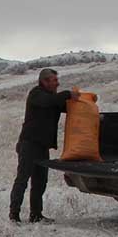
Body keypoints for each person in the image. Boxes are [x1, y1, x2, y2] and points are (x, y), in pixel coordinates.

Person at [10, 68, 74, 224]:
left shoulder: (53, 98)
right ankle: (14, 215)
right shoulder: (36, 94)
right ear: (44, 81)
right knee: (22, 180)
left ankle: (36, 215)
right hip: (29, 144)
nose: (58, 83)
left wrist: (86, 103)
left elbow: (66, 107)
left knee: (40, 182)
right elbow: (49, 102)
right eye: (54, 80)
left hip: (42, 146)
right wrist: (67, 94)